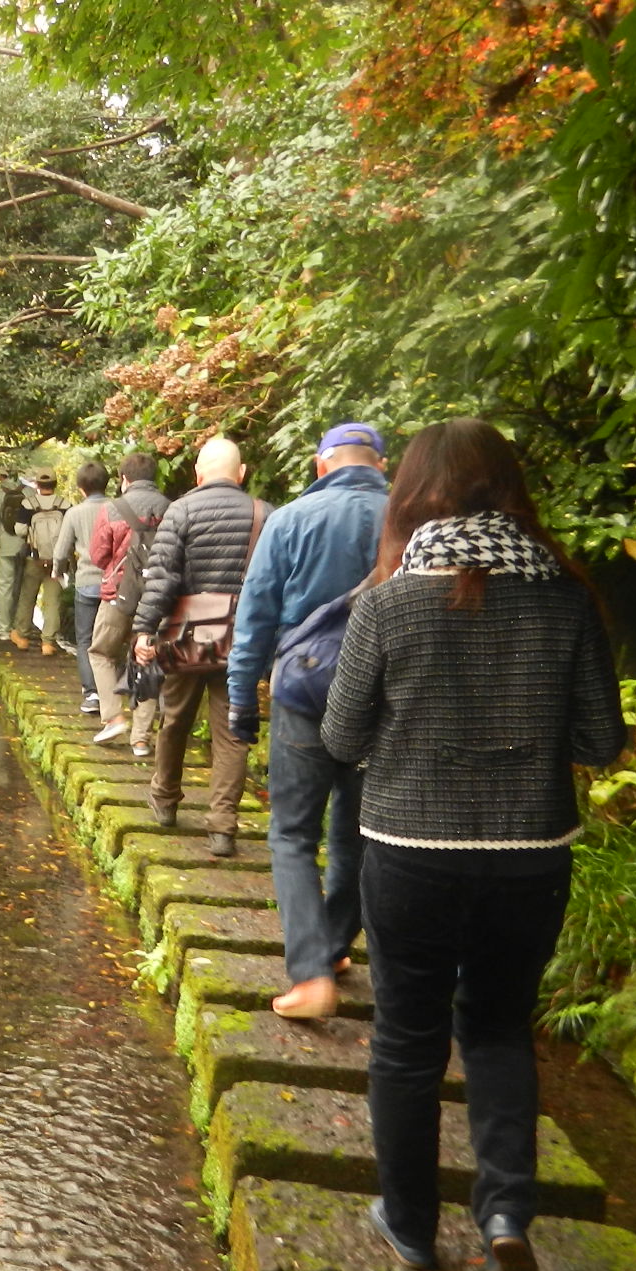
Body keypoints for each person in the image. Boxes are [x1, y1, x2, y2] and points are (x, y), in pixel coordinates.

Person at [321, 418, 625, 1271]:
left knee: (408, 1041)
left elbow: (341, 737)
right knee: (497, 1029)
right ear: (510, 491)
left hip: (411, 851)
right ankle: (504, 1212)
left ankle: (411, 1224)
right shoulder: (566, 598)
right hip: (533, 855)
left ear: (411, 496)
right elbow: (602, 742)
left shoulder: (384, 602)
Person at [225, 423, 391, 1019]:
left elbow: (256, 616)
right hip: (384, 694)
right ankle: (336, 945)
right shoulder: (411, 520)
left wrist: (242, 700)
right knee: (357, 829)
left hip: (307, 691)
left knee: (293, 833)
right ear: (382, 464)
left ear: (321, 467)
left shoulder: (291, 519)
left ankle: (310, 973)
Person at [130, 437, 270, 857]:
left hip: (186, 637)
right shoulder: (265, 514)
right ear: (241, 473)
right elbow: (274, 584)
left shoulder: (182, 510)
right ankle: (223, 827)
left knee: (174, 719)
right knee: (231, 734)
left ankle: (166, 798)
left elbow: (163, 579)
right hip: (242, 639)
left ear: (197, 473)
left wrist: (143, 629)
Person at [82, 449, 169, 753]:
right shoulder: (171, 508)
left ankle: (113, 717)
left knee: (101, 652)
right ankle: (141, 738)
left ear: (123, 479)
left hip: (118, 595)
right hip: (157, 598)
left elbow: (98, 555)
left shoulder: (113, 508)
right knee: (146, 659)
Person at [53, 460, 111, 713]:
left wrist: (58, 572)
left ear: (80, 488)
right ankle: (115, 691)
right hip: (115, 584)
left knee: (85, 640)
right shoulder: (118, 508)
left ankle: (92, 694)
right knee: (111, 639)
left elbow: (61, 551)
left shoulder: (75, 513)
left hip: (87, 582)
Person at [8, 472, 71, 654]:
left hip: (33, 558)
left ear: (37, 485)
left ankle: (22, 636)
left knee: (27, 597)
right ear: (55, 484)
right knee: (53, 601)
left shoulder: (28, 504)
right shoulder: (65, 505)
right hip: (56, 561)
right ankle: (48, 643)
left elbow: (19, 530)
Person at [0, 472, 26, 643]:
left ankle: (4, 629)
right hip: (26, 546)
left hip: (4, 547)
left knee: (4, 588)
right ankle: (21, 629)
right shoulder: (30, 493)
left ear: (0, 476)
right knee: (25, 587)